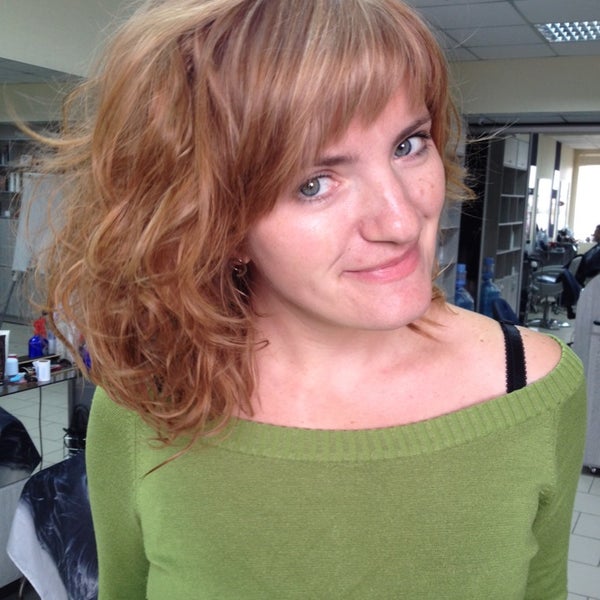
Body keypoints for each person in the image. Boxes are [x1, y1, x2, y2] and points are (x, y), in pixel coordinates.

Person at [37, 1, 586, 598]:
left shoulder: (534, 386)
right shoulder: (149, 409)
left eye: (408, 144)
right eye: (314, 183)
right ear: (215, 223)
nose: (401, 220)